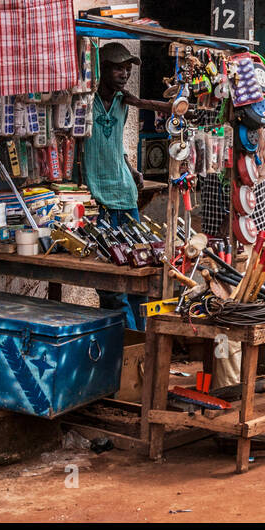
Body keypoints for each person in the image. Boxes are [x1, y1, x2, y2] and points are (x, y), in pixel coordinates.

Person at [83, 42, 170, 328]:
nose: (125, 73)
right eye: (118, 68)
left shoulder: (124, 102)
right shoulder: (85, 100)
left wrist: (132, 169)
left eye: (128, 68)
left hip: (125, 194)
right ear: (102, 69)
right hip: (97, 198)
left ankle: (142, 340)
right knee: (110, 282)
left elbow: (116, 142)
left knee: (138, 273)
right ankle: (123, 341)